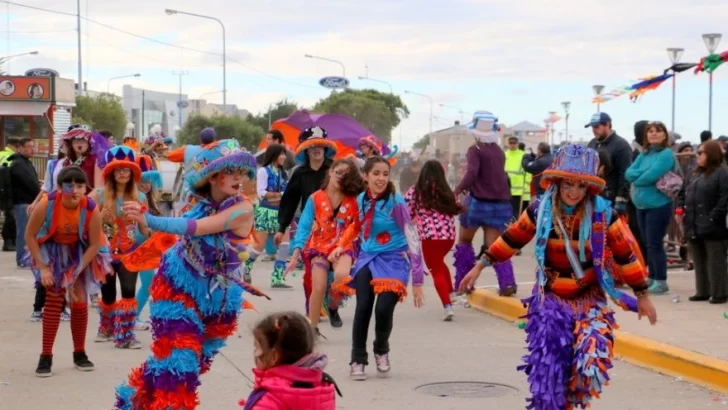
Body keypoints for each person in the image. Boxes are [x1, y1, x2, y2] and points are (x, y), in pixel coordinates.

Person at [460, 144, 657, 410]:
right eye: (568, 184)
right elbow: (513, 238)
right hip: (551, 300)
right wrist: (480, 265)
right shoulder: (540, 210)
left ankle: (571, 403)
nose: (573, 192)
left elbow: (626, 255)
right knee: (549, 373)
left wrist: (642, 295)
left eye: (580, 186)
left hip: (590, 299)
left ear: (589, 187)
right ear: (557, 182)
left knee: (592, 364)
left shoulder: (603, 214)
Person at [114, 140, 263, 410]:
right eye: (232, 172)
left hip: (220, 300)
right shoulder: (201, 204)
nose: (239, 179)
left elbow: (193, 227)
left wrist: (151, 219)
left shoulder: (243, 209)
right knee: (178, 366)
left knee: (187, 366)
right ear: (213, 178)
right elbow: (183, 227)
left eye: (242, 173)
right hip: (176, 287)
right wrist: (146, 223)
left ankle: (133, 403)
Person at [335, 156, 425, 381]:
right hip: (368, 258)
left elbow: (412, 236)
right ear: (365, 176)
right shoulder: (361, 200)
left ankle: (381, 349)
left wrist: (418, 280)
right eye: (376, 173)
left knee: (384, 309)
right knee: (363, 306)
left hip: (394, 261)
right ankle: (358, 358)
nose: (381, 178)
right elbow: (355, 226)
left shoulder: (396, 202)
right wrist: (340, 246)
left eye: (385, 174)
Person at [24, 166, 111, 377]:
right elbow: (29, 236)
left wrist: (76, 272)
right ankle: (46, 356)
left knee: (79, 300)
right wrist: (43, 267)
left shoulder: (90, 208)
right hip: (52, 251)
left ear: (85, 188)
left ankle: (79, 353)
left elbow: (93, 245)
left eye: (80, 186)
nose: (75, 190)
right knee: (54, 299)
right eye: (69, 185)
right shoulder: (47, 205)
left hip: (80, 253)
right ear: (60, 187)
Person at [286, 158, 364, 334]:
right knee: (318, 287)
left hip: (343, 246)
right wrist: (295, 254)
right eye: (338, 172)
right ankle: (313, 329)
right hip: (319, 247)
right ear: (330, 172)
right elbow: (304, 227)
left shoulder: (354, 200)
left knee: (342, 275)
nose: (341, 177)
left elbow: (359, 225)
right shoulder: (315, 198)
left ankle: (333, 306)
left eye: (346, 174)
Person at [452, 112, 516, 296]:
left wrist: (456, 190)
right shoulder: (499, 151)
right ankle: (507, 284)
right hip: (500, 205)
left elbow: (472, 174)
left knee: (464, 242)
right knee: (495, 247)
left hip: (477, 204)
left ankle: (464, 283)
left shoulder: (475, 150)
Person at [91, 146, 148, 349]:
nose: (123, 173)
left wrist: (142, 221)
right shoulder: (97, 195)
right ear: (111, 173)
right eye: (118, 169)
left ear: (132, 173)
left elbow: (145, 230)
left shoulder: (140, 198)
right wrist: (99, 218)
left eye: (126, 169)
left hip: (130, 252)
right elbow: (84, 221)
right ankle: (106, 328)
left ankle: (125, 334)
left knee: (128, 291)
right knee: (107, 293)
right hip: (105, 253)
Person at [275, 127, 336, 313]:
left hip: (334, 227)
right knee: (311, 268)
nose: (316, 149)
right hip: (308, 225)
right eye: (312, 146)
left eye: (320, 145)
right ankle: (313, 305)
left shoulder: (334, 170)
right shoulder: (299, 173)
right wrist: (282, 227)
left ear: (326, 149)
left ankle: (327, 298)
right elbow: (290, 200)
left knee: (331, 268)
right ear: (306, 150)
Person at [239, 311, 339, 409]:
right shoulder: (322, 386)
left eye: (257, 347)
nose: (255, 353)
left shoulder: (270, 398)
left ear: (274, 357)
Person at [405, 159, 463, 321]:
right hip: (449, 236)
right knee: (439, 263)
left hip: (430, 238)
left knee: (435, 269)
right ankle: (451, 293)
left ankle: (447, 306)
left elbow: (406, 213)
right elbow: (456, 206)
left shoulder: (415, 191)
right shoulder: (446, 190)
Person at [625, 121, 676, 295]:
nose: (653, 134)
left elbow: (651, 176)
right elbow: (628, 172)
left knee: (655, 243)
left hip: (658, 205)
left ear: (664, 135)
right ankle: (652, 277)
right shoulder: (644, 154)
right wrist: (641, 176)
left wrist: (638, 177)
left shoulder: (666, 154)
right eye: (650, 131)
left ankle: (661, 281)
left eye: (658, 131)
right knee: (647, 242)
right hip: (641, 205)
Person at [677, 140, 728, 304]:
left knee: (715, 259)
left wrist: (713, 217)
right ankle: (703, 291)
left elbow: (724, 199)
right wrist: (680, 208)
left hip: (714, 224)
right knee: (699, 259)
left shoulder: (722, 173)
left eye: (701, 153)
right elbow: (682, 193)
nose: (697, 156)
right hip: (693, 222)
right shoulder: (695, 173)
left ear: (711, 154)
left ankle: (719, 292)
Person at [249, 144, 291, 289]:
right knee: (259, 246)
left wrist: (278, 196)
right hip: (266, 212)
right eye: (281, 154)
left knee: (285, 245)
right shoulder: (263, 171)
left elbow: (287, 193)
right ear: (274, 155)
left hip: (281, 212)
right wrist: (279, 195)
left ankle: (277, 277)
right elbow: (261, 193)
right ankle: (246, 268)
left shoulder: (284, 173)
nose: (284, 157)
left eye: (284, 154)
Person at [132, 154, 163, 330]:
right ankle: (130, 318)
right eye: (142, 180)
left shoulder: (148, 199)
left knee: (149, 284)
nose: (145, 184)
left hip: (145, 247)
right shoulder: (138, 197)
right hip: (136, 247)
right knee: (146, 284)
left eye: (149, 180)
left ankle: (131, 317)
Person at [586, 112, 633, 213]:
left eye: (596, 126)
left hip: (610, 197)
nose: (594, 130)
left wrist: (621, 200)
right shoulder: (592, 143)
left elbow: (625, 174)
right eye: (592, 127)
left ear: (607, 125)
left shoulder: (621, 145)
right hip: (592, 195)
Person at [9, 137, 39, 268]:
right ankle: (22, 258)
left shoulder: (26, 162)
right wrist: (40, 194)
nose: (32, 149)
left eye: (33, 146)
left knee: (30, 230)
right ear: (20, 148)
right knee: (24, 231)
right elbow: (30, 183)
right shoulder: (18, 164)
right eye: (29, 146)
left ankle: (28, 257)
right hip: (23, 202)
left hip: (29, 202)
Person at [1, 136, 20, 252]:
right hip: (7, 190)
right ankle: (9, 242)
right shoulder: (11, 157)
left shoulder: (1, 154)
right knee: (10, 216)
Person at [504, 136, 528, 217]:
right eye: (511, 143)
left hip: (519, 190)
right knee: (507, 211)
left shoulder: (523, 155)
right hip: (506, 189)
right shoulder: (504, 155)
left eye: (514, 143)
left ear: (517, 144)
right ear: (508, 144)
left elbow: (528, 172)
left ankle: (514, 228)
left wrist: (526, 185)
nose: (512, 145)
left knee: (516, 212)